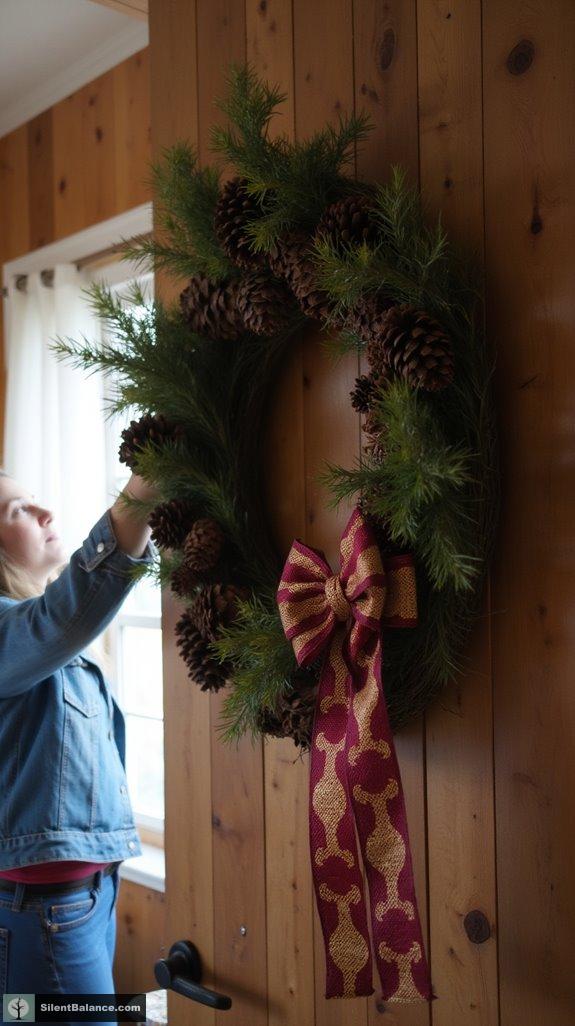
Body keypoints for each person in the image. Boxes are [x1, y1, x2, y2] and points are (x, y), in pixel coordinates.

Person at [0, 468, 160, 1014]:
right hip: (44, 911)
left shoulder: (24, 632)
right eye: (15, 510)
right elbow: (70, 610)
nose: (43, 513)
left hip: (76, 899)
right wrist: (144, 488)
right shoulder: (14, 633)